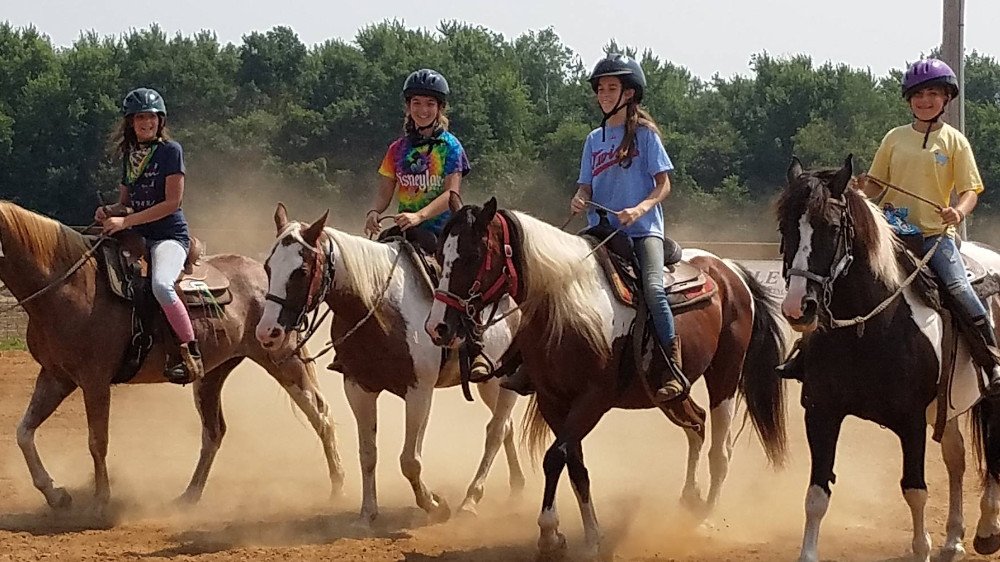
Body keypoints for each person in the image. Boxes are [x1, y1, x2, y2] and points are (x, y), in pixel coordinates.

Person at [778, 58, 1000, 397]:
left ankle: (991, 361)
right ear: (909, 99)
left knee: (958, 288)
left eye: (932, 93)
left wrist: (958, 211)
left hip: (932, 237)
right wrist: (857, 189)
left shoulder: (955, 142)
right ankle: (806, 354)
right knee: (834, 282)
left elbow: (971, 190)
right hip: (890, 232)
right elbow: (876, 186)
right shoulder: (895, 138)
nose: (924, 100)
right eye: (918, 94)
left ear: (947, 98)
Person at [503, 54, 689, 403]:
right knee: (553, 281)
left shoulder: (646, 137)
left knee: (652, 289)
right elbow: (586, 187)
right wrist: (579, 197)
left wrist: (641, 208)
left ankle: (670, 364)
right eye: (600, 88)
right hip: (599, 231)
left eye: (611, 88)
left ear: (630, 94)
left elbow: (664, 184)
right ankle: (528, 361)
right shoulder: (594, 139)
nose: (604, 94)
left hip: (642, 231)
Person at [97, 87, 203, 385]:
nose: (146, 123)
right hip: (137, 234)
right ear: (131, 122)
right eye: (140, 117)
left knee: (161, 285)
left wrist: (125, 219)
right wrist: (109, 210)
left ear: (161, 121)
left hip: (169, 236)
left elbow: (172, 203)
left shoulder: (171, 151)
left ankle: (190, 352)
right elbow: (125, 201)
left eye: (151, 117)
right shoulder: (131, 156)